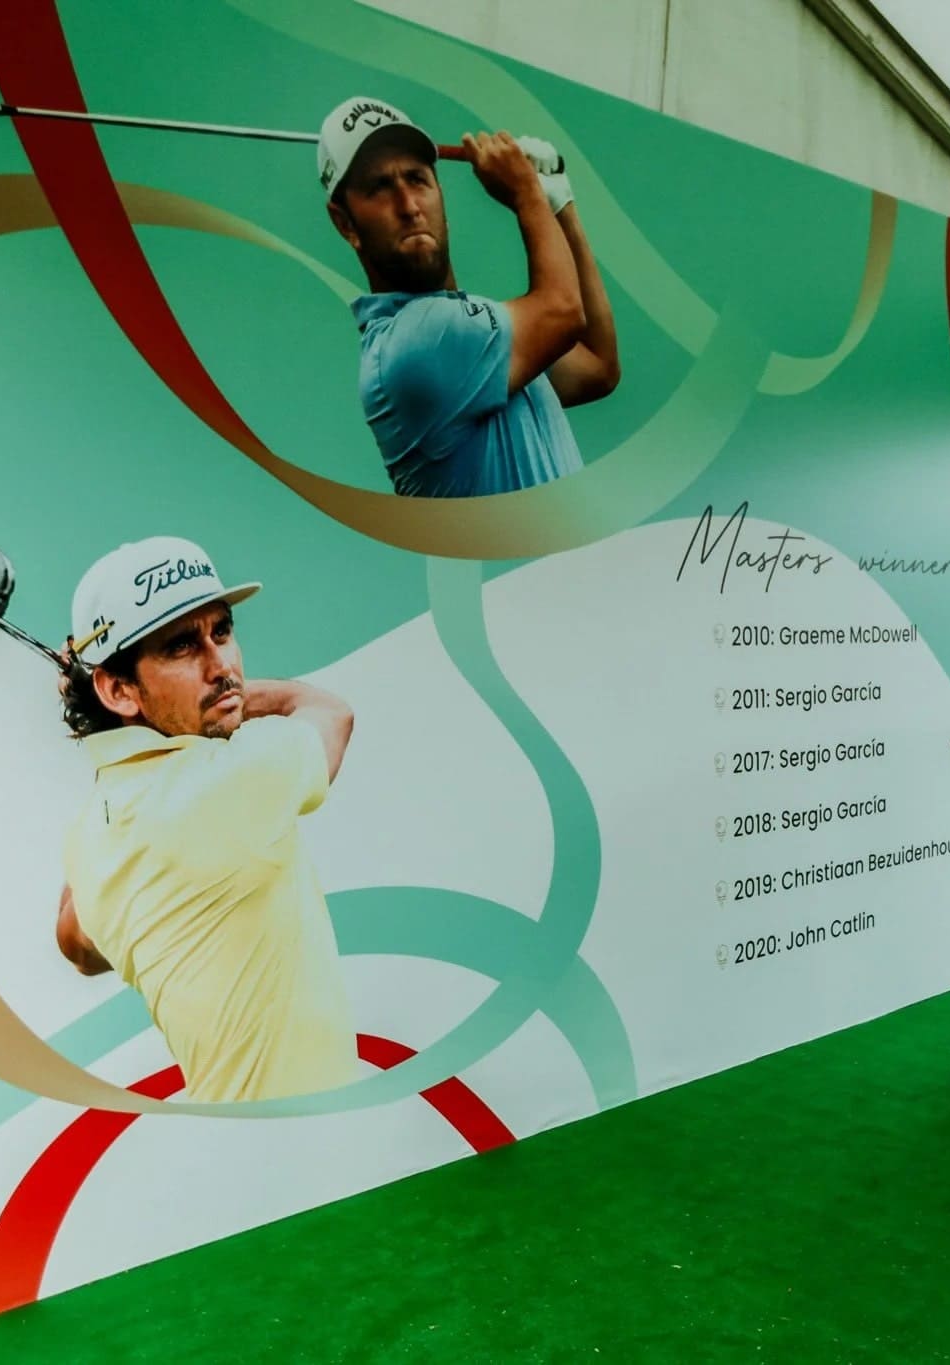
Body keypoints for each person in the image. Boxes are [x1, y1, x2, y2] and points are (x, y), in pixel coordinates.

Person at [53, 536, 365, 1102]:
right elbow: (328, 712)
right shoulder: (236, 780)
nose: (221, 665)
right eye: (181, 647)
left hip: (245, 1166)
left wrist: (105, 723)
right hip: (325, 1157)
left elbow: (77, 945)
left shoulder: (93, 837)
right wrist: (239, 699)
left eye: (221, 631)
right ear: (120, 688)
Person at [320, 95, 620, 498]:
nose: (409, 206)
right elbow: (563, 312)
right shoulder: (415, 342)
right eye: (380, 188)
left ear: (439, 193)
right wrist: (526, 192)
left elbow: (598, 367)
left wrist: (560, 204)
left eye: (417, 179)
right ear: (345, 223)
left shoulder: (480, 337)